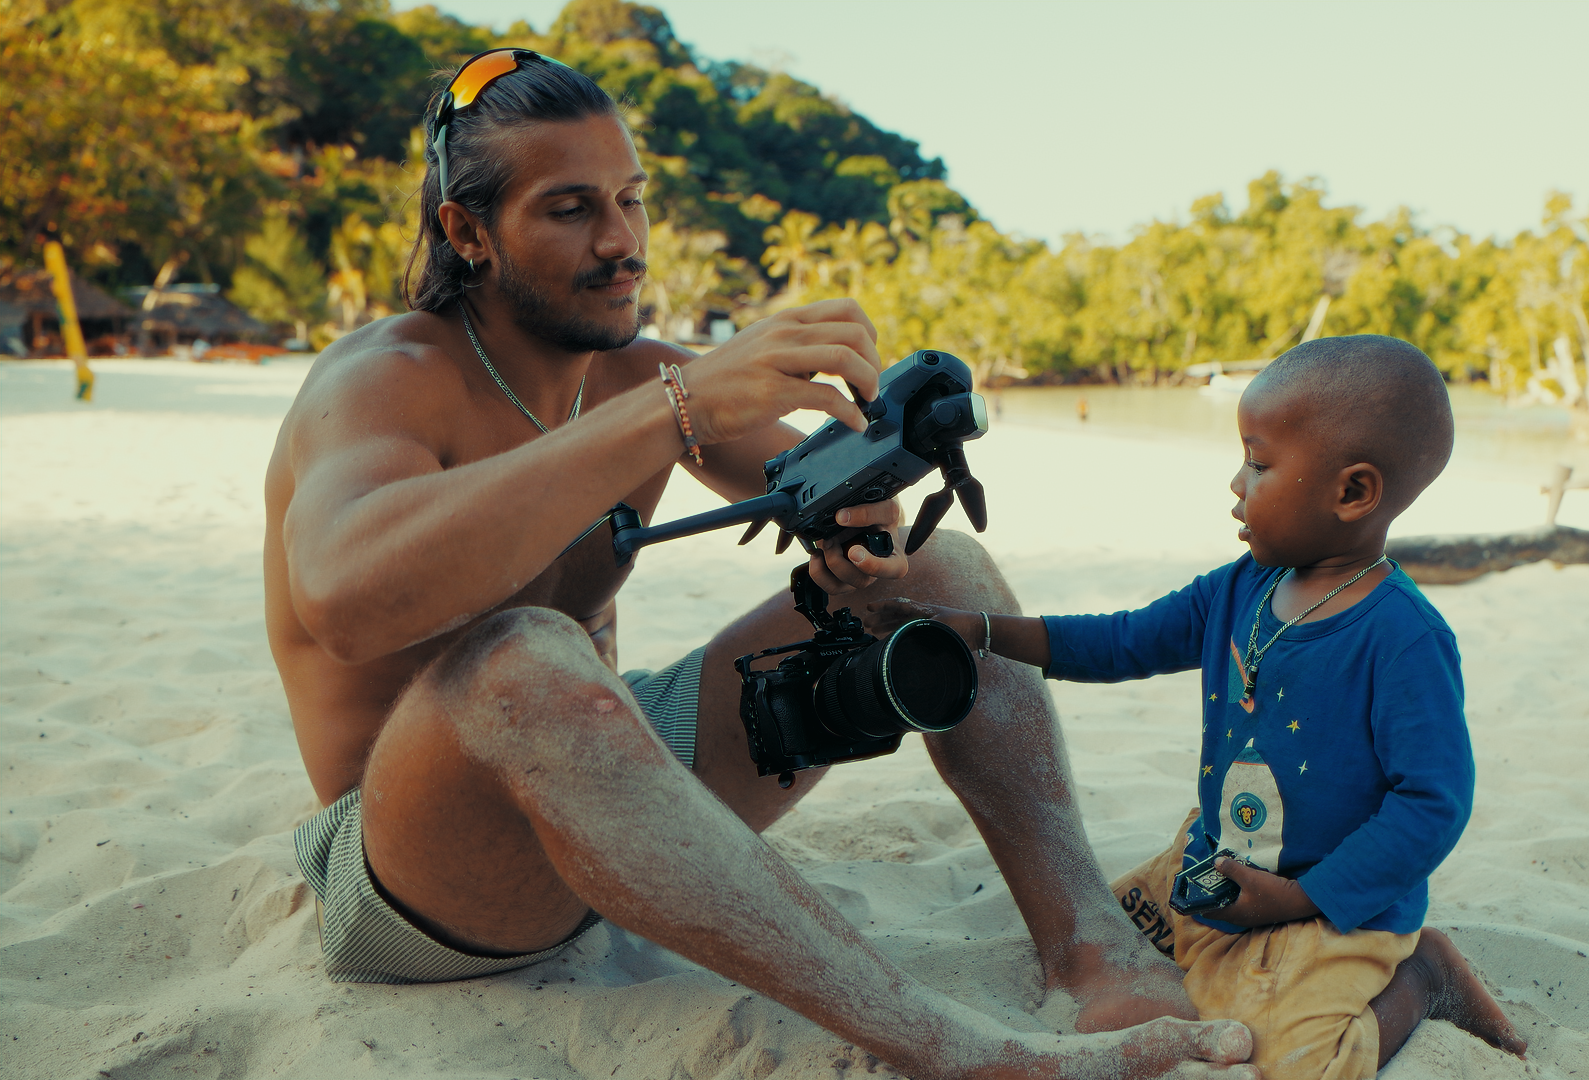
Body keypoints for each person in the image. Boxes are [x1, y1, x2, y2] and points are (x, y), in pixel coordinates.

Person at [262, 49, 1258, 1080]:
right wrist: (676, 408)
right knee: (523, 655)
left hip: (613, 801)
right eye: (570, 209)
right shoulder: (384, 381)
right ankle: (956, 1052)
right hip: (418, 874)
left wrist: (867, 519)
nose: (621, 242)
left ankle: (1093, 952)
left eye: (631, 200)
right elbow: (344, 598)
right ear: (468, 232)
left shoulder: (639, 377)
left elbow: (852, 509)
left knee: (942, 570)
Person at [869, 336, 1530, 1079]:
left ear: (1352, 494)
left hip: (1332, 907)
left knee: (1302, 1065)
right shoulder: (1240, 587)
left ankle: (1425, 975)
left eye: (1259, 463)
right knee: (1091, 939)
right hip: (1219, 857)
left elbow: (1433, 804)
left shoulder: (1403, 638)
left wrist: (1299, 897)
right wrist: (981, 629)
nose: (1236, 484)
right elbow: (1123, 641)